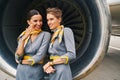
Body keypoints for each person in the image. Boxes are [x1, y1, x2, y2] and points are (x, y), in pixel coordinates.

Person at [15, 9, 51, 80]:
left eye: (40, 21)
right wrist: (23, 40)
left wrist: (22, 61)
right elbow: (18, 56)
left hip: (35, 72)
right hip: (21, 72)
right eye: (35, 21)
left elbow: (40, 56)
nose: (39, 23)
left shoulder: (45, 35)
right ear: (28, 22)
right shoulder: (22, 36)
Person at [43, 7, 76, 80]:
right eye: (47, 20)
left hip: (62, 71)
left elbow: (71, 54)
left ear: (59, 19)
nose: (49, 22)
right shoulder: (52, 35)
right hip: (52, 71)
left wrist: (51, 63)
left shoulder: (66, 31)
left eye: (51, 19)